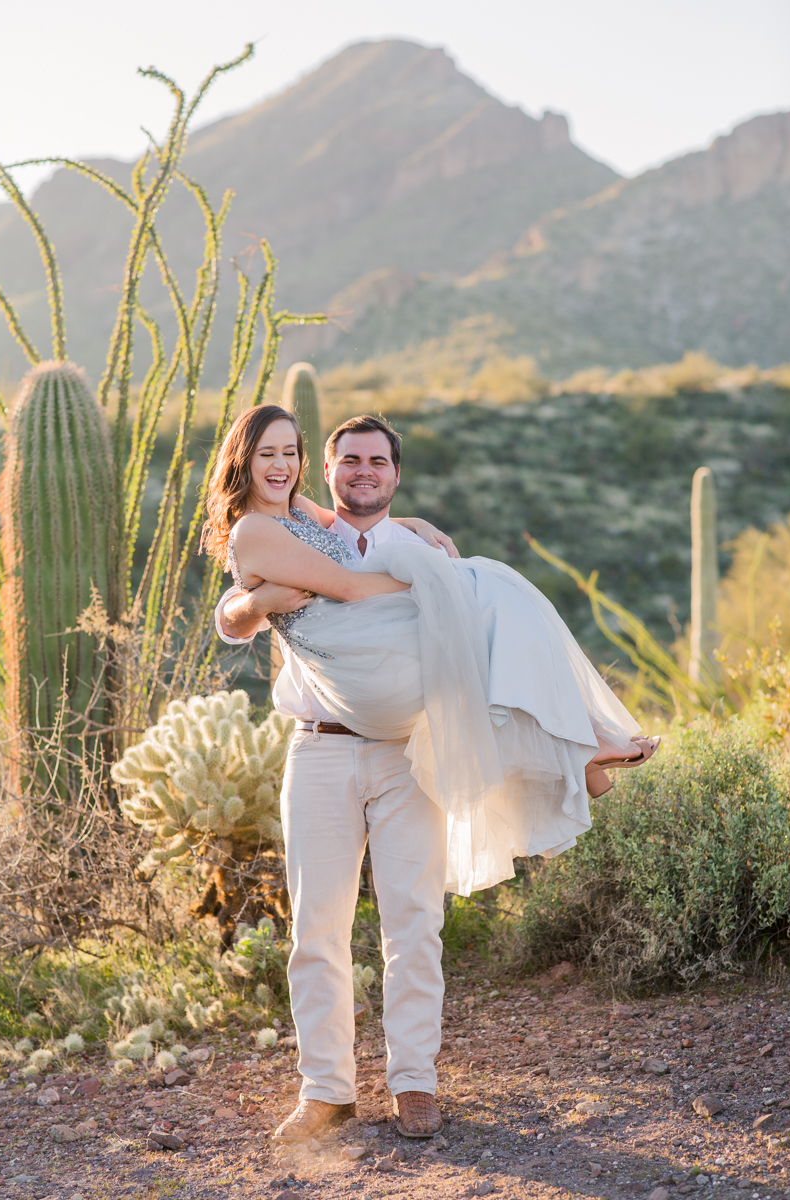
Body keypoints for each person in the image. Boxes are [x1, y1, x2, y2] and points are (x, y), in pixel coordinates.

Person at [204, 406, 658, 1143]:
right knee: (317, 928)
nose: (280, 465)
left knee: (414, 921)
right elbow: (333, 594)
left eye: (289, 451)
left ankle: (414, 1081)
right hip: (321, 749)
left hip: (404, 750)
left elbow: (330, 552)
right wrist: (433, 587)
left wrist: (414, 542)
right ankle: (326, 1092)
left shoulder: (318, 517)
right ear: (245, 461)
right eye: (269, 454)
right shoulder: (261, 530)